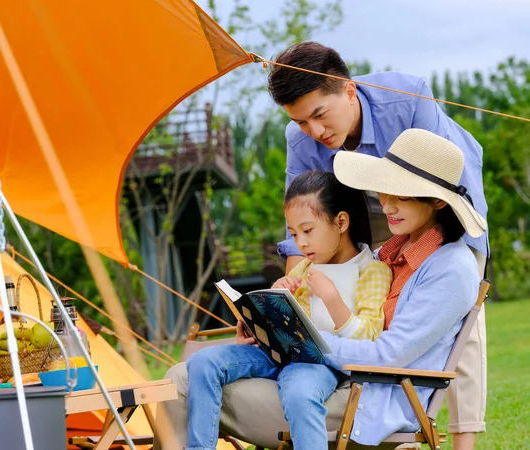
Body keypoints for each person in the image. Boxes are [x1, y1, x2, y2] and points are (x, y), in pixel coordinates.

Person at [154, 129, 487, 450]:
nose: (386, 206)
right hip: (337, 378)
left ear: (437, 202)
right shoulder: (394, 254)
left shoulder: (450, 268)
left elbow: (387, 354)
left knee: (179, 382)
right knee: (190, 369)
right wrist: (268, 329)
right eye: (383, 192)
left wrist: (304, 343)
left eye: (400, 195)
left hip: (366, 399)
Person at [268, 42, 488, 450]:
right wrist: (288, 307)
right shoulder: (300, 140)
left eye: (319, 115)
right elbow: (300, 225)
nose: (315, 131)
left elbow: (446, 178)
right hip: (368, 211)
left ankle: (456, 439)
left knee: (460, 325)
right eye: (301, 122)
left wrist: (461, 264)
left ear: (348, 91)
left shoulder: (408, 101)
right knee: (381, 311)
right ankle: (388, 420)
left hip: (434, 198)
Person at [183, 171, 392, 450]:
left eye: (307, 230)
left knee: (299, 393)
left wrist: (331, 297)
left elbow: (368, 338)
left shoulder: (372, 271)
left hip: (318, 363)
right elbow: (290, 323)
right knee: (203, 362)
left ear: (341, 222)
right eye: (294, 234)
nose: (301, 243)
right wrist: (260, 319)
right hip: (278, 353)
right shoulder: (305, 267)